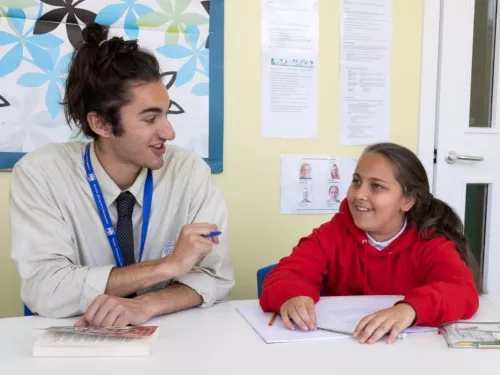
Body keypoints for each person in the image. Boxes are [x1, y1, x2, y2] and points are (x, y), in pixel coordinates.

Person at [9, 23, 234, 327]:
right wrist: (166, 267)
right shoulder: (41, 174)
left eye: (167, 114)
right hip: (78, 338)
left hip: (171, 338)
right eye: (150, 118)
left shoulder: (189, 170)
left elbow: (216, 278)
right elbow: (45, 290)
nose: (169, 132)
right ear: (101, 124)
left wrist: (145, 304)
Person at [260, 142, 480, 344]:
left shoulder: (430, 242)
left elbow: (461, 290)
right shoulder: (334, 233)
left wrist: (410, 309)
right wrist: (292, 295)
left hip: (409, 353)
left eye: (376, 186)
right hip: (346, 349)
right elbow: (288, 273)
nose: (359, 194)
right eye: (356, 181)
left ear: (407, 200)